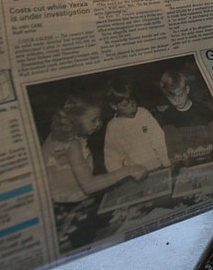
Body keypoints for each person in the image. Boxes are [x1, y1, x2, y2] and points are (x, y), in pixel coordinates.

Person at [41, 94, 147, 250]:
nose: (99, 124)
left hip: (73, 199)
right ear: (75, 120)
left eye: (100, 118)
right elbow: (89, 185)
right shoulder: (72, 144)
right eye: (94, 120)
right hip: (65, 209)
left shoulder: (68, 136)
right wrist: (128, 170)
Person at [154, 62, 213, 168]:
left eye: (180, 95)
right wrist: (178, 158)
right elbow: (172, 141)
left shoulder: (202, 108)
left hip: (211, 157)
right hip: (188, 162)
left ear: (187, 90)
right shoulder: (168, 115)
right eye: (172, 98)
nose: (177, 101)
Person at [104, 77, 170, 172]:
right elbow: (112, 159)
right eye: (125, 105)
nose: (131, 107)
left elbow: (159, 140)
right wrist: (120, 177)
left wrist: (167, 164)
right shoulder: (113, 127)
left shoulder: (144, 114)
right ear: (114, 106)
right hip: (134, 174)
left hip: (157, 167)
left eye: (133, 102)